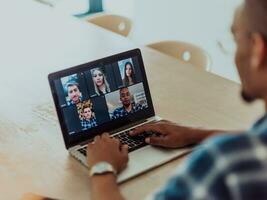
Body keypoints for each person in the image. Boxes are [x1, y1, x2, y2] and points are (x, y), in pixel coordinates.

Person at [87, 1, 267, 199]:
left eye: (235, 40)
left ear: (257, 49)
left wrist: (102, 168)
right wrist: (193, 134)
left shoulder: (223, 163)